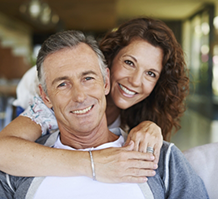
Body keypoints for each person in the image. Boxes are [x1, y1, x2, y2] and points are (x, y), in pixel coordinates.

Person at [0, 30, 208, 199]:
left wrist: (150, 126)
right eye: (63, 84)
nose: (80, 96)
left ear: (105, 81)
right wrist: (92, 163)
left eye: (88, 78)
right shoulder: (20, 164)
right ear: (45, 97)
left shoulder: (160, 157)